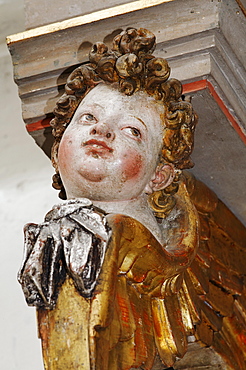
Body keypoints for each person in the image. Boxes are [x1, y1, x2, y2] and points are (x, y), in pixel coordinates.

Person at [19, 28, 200, 370]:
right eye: (88, 117)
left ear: (158, 177)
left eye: (132, 130)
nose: (101, 130)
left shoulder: (137, 241)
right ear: (57, 151)